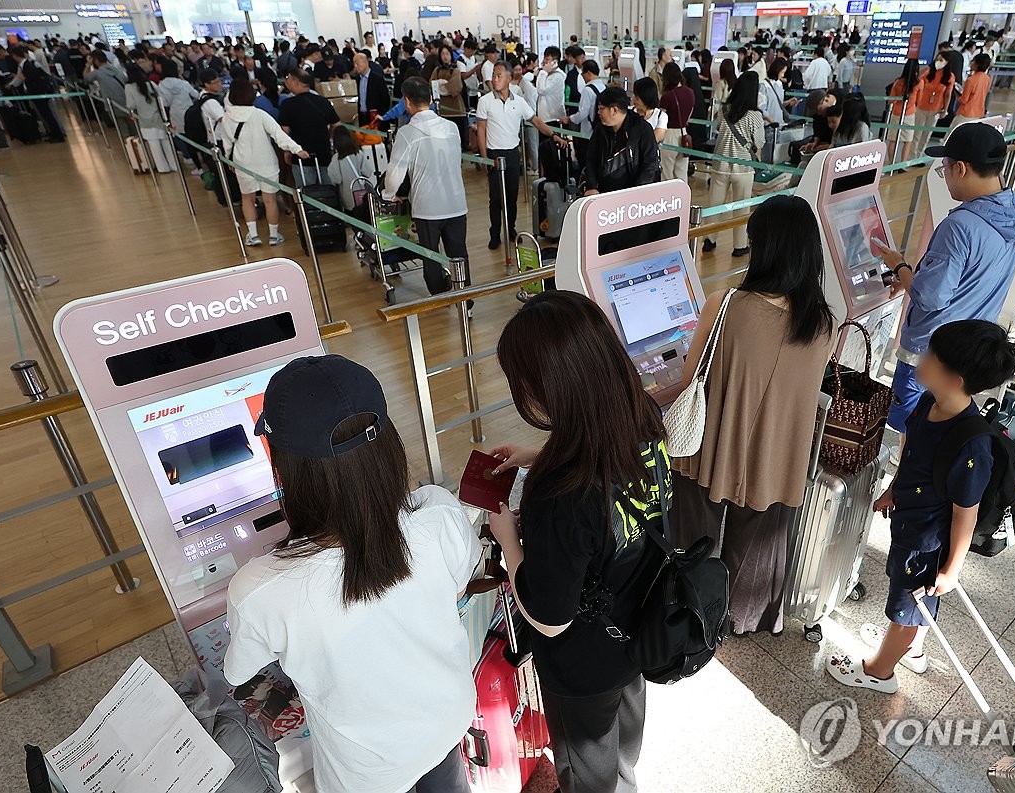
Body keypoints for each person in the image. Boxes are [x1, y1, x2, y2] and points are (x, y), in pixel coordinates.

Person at [224, 354, 482, 793]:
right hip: (447, 721)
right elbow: (455, 578)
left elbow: (238, 672)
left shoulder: (258, 589)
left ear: (285, 469)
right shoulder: (438, 514)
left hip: (365, 773)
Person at [487, 290, 667, 793]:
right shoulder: (641, 413)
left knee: (587, 773)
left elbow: (549, 616)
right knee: (624, 750)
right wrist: (539, 454)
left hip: (585, 663)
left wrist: (509, 539)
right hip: (639, 625)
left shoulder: (560, 491)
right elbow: (608, 490)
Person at [670, 195, 835, 636]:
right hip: (775, 456)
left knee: (694, 532)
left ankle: (691, 611)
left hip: (712, 445)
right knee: (759, 544)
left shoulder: (725, 306)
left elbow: (691, 379)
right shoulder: (823, 325)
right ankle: (744, 618)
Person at [828, 320, 1015, 692]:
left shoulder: (971, 446)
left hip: (927, 545)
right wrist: (895, 490)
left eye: (933, 355)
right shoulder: (929, 403)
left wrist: (952, 569)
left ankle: (879, 671)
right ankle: (912, 650)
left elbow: (966, 514)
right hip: (911, 525)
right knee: (911, 605)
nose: (922, 356)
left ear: (955, 380)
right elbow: (914, 456)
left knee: (907, 608)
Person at [875, 123, 1015, 445]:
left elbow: (929, 297)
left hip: (932, 349)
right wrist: (909, 279)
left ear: (960, 168)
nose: (945, 175)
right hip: (971, 345)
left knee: (913, 426)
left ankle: (905, 482)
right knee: (942, 419)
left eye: (945, 169)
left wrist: (900, 266)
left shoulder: (960, 225)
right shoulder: (1013, 212)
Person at [383, 77, 470, 298]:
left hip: (427, 207)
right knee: (459, 254)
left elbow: (394, 173)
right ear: (431, 99)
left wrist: (388, 194)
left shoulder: (406, 134)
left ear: (407, 102)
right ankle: (466, 301)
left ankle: (440, 295)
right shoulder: (451, 128)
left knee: (430, 255)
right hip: (456, 202)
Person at [475, 61, 564, 249]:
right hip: (494, 154)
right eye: (494, 75)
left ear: (509, 78)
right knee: (496, 198)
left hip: (513, 154)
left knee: (512, 195)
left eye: (499, 76)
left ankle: (511, 227)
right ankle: (494, 233)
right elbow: (481, 130)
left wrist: (554, 135)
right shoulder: (485, 101)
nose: (495, 79)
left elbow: (536, 121)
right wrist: (484, 157)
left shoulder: (519, 101)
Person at [218, 80, 308, 247]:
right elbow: (278, 135)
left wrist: (229, 160)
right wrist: (297, 150)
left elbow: (227, 144)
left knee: (248, 199)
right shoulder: (260, 114)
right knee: (270, 200)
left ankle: (253, 235)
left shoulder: (226, 119)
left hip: (242, 163)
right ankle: (274, 235)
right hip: (266, 162)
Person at [702, 72, 764, 255]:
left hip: (720, 164)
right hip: (743, 167)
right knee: (742, 208)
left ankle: (709, 240)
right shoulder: (755, 116)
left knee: (715, 205)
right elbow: (759, 142)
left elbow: (718, 127)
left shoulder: (724, 109)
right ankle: (739, 246)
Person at [581, 86, 660, 195]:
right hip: (604, 194)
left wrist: (636, 193)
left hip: (633, 196)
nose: (598, 112)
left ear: (614, 110)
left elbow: (650, 165)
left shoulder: (641, 129)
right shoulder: (600, 129)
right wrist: (592, 186)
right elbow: (591, 159)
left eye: (601, 108)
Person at [279, 68, 340, 186]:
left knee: (306, 193)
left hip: (301, 156)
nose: (286, 82)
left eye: (288, 79)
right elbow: (337, 124)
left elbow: (284, 132)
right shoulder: (323, 101)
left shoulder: (288, 104)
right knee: (328, 192)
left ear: (296, 82)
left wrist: (286, 151)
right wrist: (330, 138)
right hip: (324, 153)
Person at [6, 44, 64, 143]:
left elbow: (33, 79)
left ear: (16, 55)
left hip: (39, 93)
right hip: (38, 92)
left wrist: (23, 78)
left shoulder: (28, 65)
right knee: (45, 115)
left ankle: (58, 135)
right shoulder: (26, 64)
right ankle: (54, 133)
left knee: (48, 115)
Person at [123, 63, 173, 170]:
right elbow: (161, 98)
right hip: (159, 119)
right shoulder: (150, 84)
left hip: (145, 121)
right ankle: (174, 165)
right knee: (166, 144)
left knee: (155, 147)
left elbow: (130, 105)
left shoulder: (129, 87)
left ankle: (163, 168)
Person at [326, 125, 378, 213]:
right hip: (363, 195)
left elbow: (336, 179)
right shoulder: (359, 153)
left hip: (348, 197)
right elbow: (368, 172)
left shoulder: (337, 158)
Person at [912, 55, 956, 159]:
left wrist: (945, 109)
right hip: (921, 107)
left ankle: (918, 156)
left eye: (941, 60)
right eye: (937, 59)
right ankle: (911, 156)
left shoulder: (949, 76)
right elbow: (917, 81)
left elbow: (947, 94)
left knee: (926, 135)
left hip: (935, 109)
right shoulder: (929, 72)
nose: (938, 62)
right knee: (916, 134)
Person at [658, 63, 694, 181]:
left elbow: (661, 118)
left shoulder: (667, 96)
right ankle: (682, 197)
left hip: (669, 135)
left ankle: (668, 198)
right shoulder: (690, 92)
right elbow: (689, 115)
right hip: (684, 134)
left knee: (666, 173)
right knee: (681, 172)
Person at [430, 46, 468, 149]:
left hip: (456, 110)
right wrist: (442, 84)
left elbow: (454, 88)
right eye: (443, 54)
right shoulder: (437, 70)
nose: (445, 57)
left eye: (447, 54)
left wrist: (441, 86)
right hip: (441, 110)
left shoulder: (455, 70)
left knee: (456, 138)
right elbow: (432, 85)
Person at [887, 58, 920, 159]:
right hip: (909, 114)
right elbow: (918, 101)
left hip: (896, 112)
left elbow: (891, 100)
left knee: (892, 140)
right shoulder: (919, 83)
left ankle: (891, 162)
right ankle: (902, 165)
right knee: (908, 141)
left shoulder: (898, 82)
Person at [353, 51, 391, 124]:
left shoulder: (377, 79)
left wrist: (381, 116)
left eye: (357, 63)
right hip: (362, 117)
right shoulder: (357, 80)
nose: (355, 66)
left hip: (376, 118)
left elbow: (386, 100)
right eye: (354, 64)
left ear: (365, 62)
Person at [953, 53, 991, 125]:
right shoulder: (987, 79)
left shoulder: (971, 80)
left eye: (973, 61)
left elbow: (964, 100)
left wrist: (957, 95)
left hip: (966, 113)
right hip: (978, 113)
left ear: (977, 64)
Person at [631, 77, 667, 144]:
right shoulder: (629, 112)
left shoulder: (661, 116)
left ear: (646, 99)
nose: (633, 100)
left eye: (637, 98)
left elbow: (653, 140)